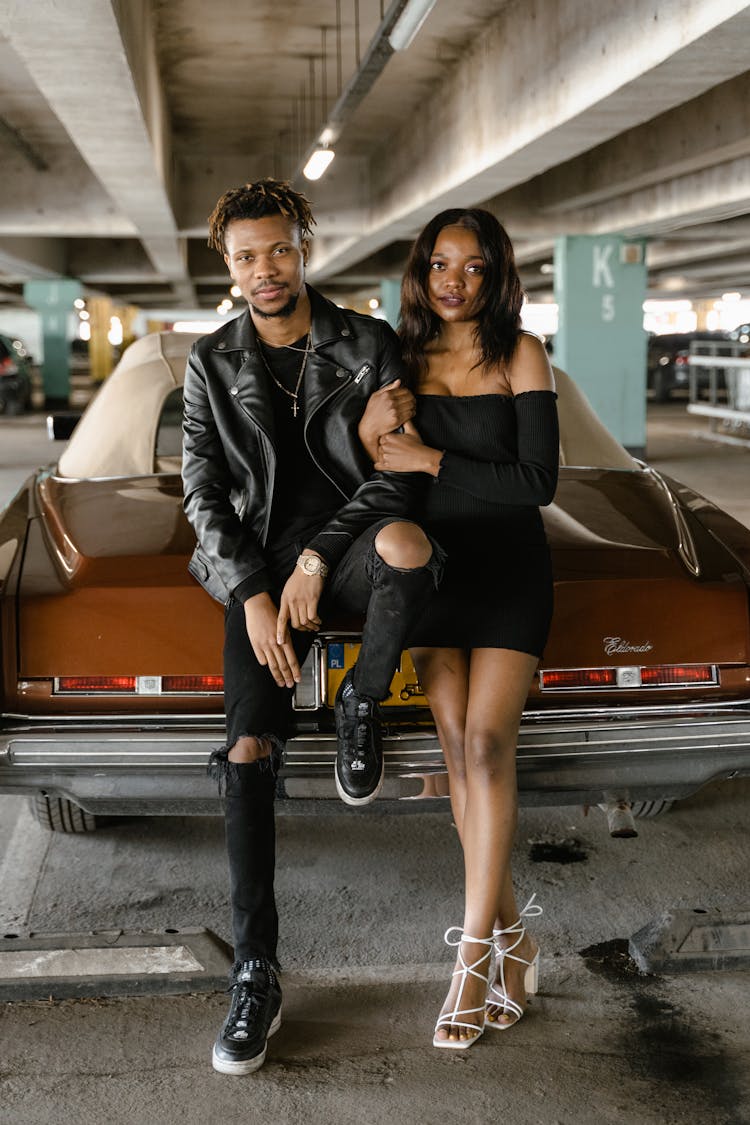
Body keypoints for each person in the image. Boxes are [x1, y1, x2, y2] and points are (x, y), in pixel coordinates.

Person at [181, 178, 442, 1075]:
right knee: (248, 745)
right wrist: (252, 589)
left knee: (411, 545)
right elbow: (204, 494)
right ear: (228, 263)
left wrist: (319, 557)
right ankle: (256, 967)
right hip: (259, 571)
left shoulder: (367, 344)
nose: (266, 269)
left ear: (305, 246)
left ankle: (361, 704)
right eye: (247, 255)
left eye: (280, 249)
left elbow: (398, 476)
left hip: (350, 549)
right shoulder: (210, 363)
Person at [363, 207, 558, 1049]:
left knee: (485, 746)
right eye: (441, 264)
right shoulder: (400, 361)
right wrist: (377, 432)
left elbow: (538, 481)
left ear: (497, 274)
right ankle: (514, 939)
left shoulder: (520, 352)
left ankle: (470, 960)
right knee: (453, 756)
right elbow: (371, 463)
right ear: (421, 270)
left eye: (474, 267)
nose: (455, 281)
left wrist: (431, 458)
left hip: (512, 571)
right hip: (437, 574)